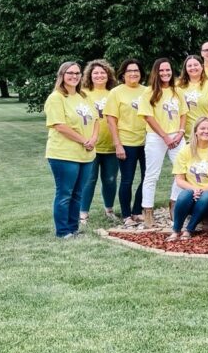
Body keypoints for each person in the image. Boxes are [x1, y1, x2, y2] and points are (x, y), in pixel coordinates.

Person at [45, 62, 98, 238]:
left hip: (86, 154)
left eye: (77, 73)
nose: (74, 76)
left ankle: (73, 228)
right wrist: (84, 140)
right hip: (63, 154)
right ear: (62, 75)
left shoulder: (84, 96)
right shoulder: (56, 98)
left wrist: (93, 139)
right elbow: (60, 126)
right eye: (70, 73)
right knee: (65, 193)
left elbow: (96, 120)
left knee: (78, 193)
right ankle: (62, 231)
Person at [139, 58, 187, 228]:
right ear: (155, 72)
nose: (165, 73)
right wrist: (165, 136)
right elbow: (148, 116)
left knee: (183, 171)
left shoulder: (177, 91)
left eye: (168, 70)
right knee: (152, 174)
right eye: (161, 71)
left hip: (177, 136)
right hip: (156, 136)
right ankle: (148, 211)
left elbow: (183, 113)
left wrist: (180, 132)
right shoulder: (148, 92)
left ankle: (174, 203)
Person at [105, 59, 149, 227]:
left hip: (147, 142)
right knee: (127, 180)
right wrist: (118, 144)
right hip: (127, 143)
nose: (133, 73)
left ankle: (137, 211)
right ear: (123, 74)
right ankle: (126, 215)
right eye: (129, 71)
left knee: (147, 178)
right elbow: (111, 120)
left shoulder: (148, 91)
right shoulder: (116, 93)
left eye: (136, 70)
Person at [167, 117, 208, 241]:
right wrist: (195, 189)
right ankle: (176, 230)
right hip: (193, 194)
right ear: (196, 131)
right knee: (184, 195)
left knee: (206, 195)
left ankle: (189, 229)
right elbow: (179, 179)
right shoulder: (185, 150)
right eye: (202, 128)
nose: (206, 131)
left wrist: (202, 190)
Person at [79, 59, 117, 225]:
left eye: (103, 72)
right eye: (96, 73)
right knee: (89, 180)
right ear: (90, 75)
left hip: (111, 145)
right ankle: (83, 213)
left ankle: (109, 210)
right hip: (90, 145)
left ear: (108, 75)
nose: (100, 75)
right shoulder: (83, 93)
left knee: (110, 179)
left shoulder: (114, 93)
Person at [177, 54, 208, 138]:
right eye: (189, 66)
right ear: (185, 68)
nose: (193, 68)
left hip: (204, 134)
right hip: (182, 135)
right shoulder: (177, 86)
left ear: (202, 67)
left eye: (196, 65)